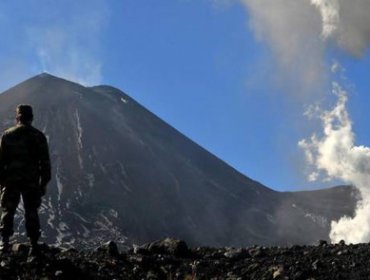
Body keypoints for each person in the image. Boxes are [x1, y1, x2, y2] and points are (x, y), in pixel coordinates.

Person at [0, 104, 51, 255]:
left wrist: (2, 181)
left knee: (7, 210)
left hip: (11, 180)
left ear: (18, 117)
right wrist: (43, 184)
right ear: (31, 118)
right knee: (31, 211)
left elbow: (1, 162)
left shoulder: (7, 135)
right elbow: (45, 163)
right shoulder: (38, 136)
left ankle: (4, 243)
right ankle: (34, 245)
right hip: (31, 180)